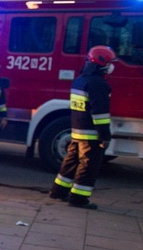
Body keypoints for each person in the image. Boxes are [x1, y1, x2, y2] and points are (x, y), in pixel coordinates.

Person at [49, 45, 116, 210]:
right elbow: (99, 113)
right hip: (92, 134)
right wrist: (105, 136)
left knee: (71, 162)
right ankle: (78, 198)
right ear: (101, 64)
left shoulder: (80, 80)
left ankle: (58, 191)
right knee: (88, 166)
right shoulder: (98, 84)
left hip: (77, 131)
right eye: (110, 63)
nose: (112, 66)